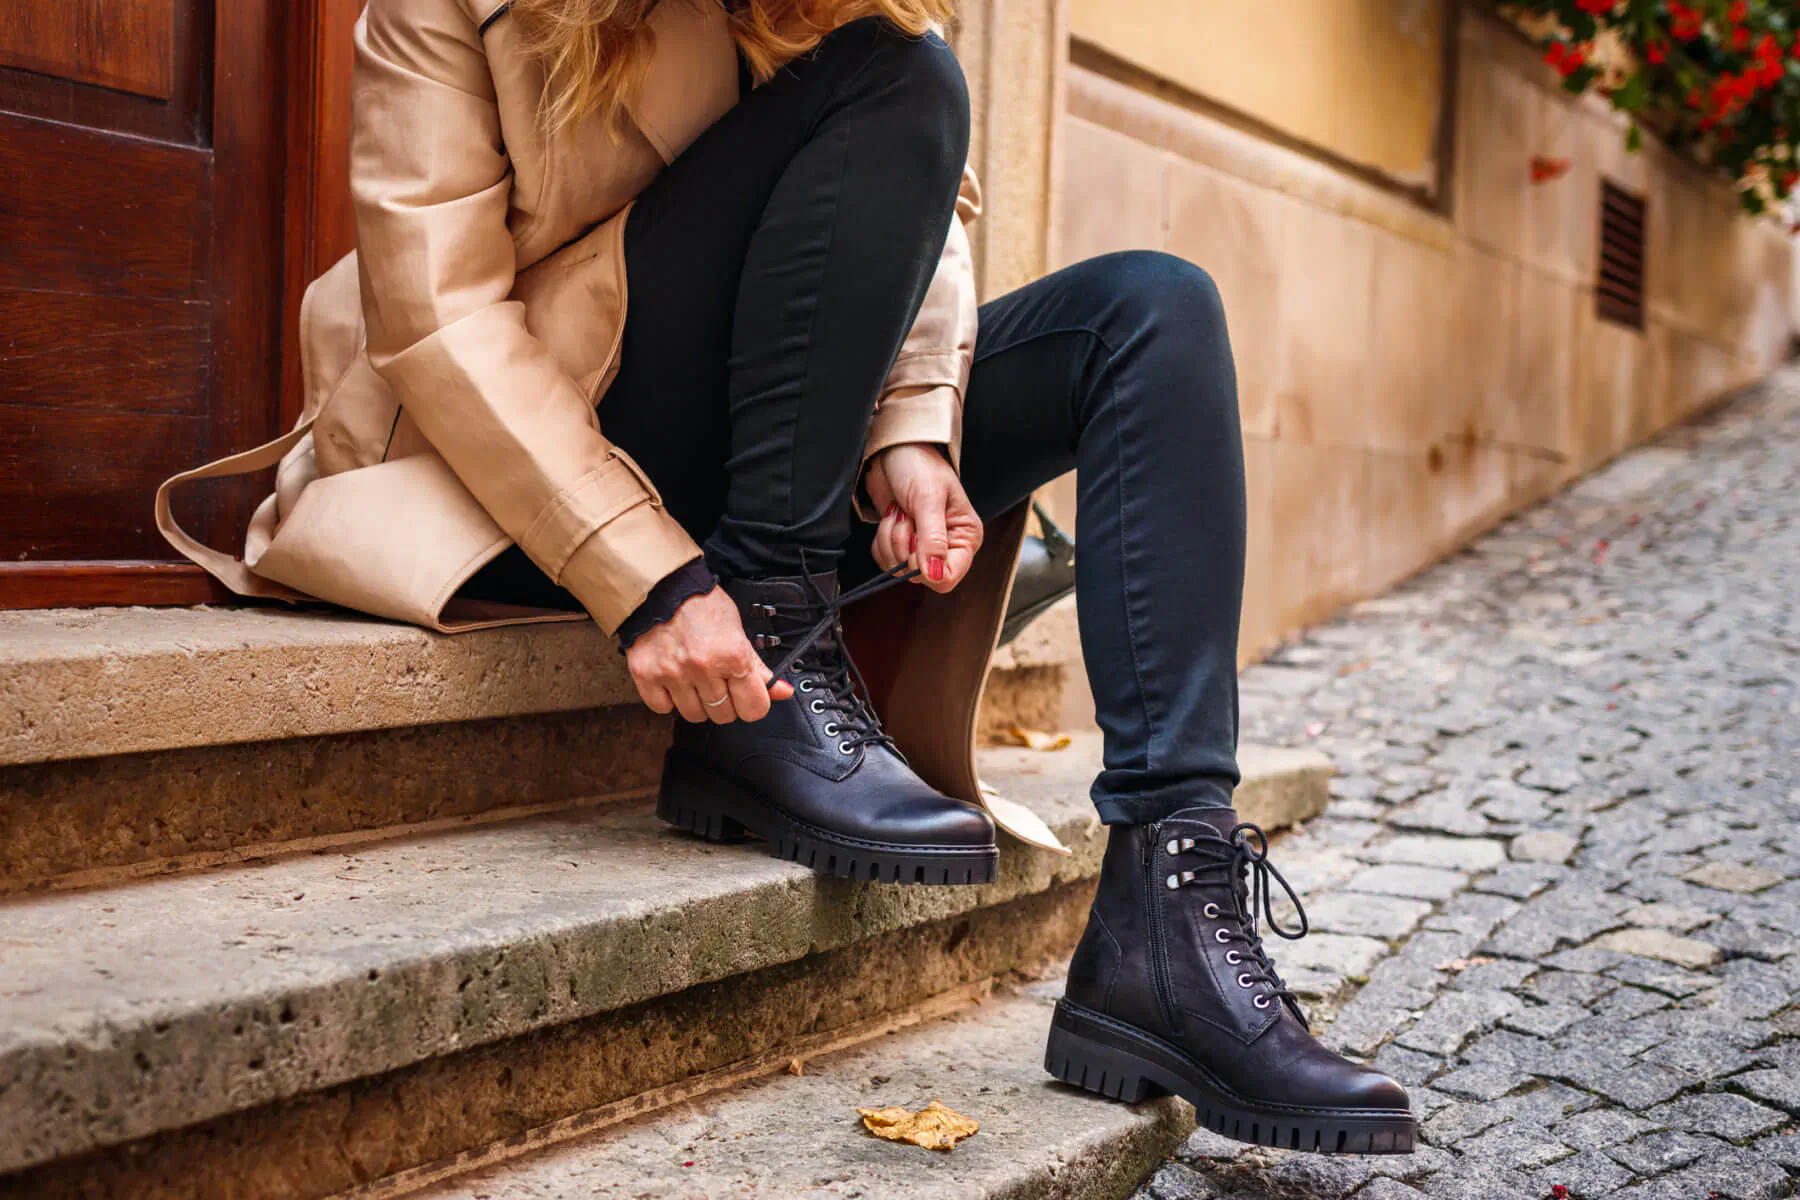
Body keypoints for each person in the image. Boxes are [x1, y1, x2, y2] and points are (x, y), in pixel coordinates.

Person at [155, 0, 1413, 1156]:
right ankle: (773, 643)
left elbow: (926, 216)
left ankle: (1168, 910)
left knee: (1150, 312)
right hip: (544, 436)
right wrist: (649, 580)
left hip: (775, 434)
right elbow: (438, 318)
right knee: (898, 77)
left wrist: (910, 432)